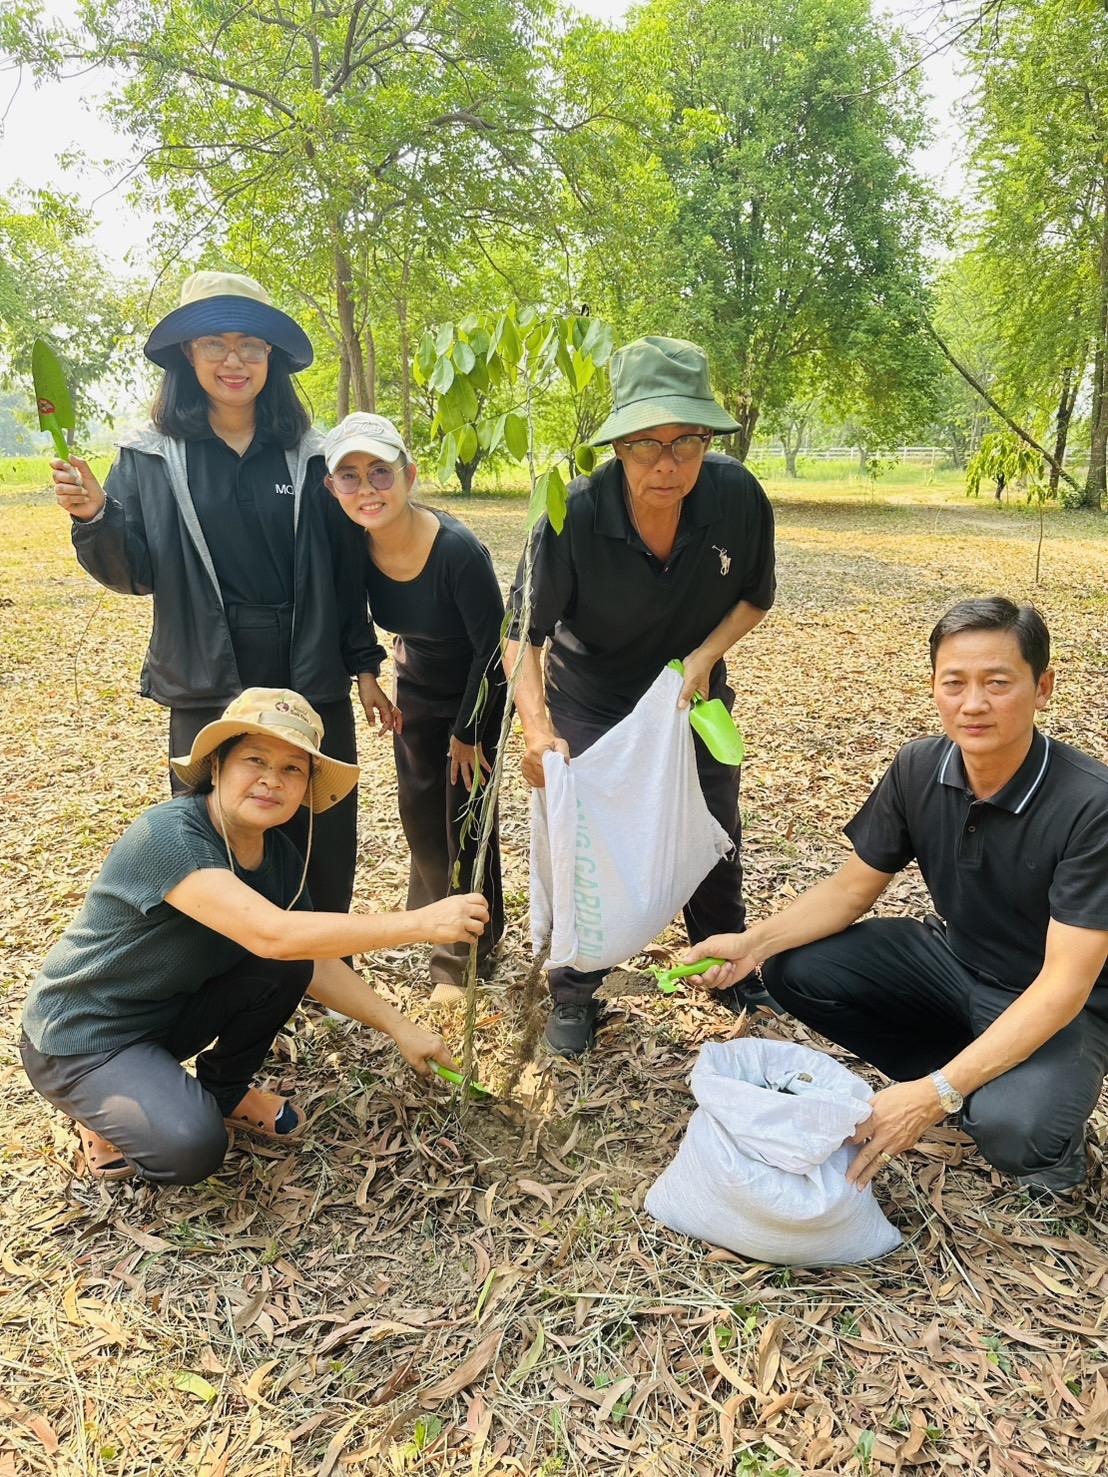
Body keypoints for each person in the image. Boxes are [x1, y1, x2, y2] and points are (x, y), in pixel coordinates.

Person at [687, 598, 1108, 1196]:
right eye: (954, 683)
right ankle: (968, 1073)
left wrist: (933, 1096)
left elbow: (1065, 983)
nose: (973, 704)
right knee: (794, 968)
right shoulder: (919, 766)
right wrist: (752, 944)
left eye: (997, 683)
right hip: (955, 962)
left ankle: (1030, 1130)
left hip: (1057, 998)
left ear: (1042, 688)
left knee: (1017, 1132)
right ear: (934, 687)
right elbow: (850, 888)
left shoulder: (1091, 805)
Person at [20, 689, 488, 1185]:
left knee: (291, 961)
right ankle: (99, 1108)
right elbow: (273, 935)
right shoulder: (168, 836)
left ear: (305, 787)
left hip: (166, 1015)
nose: (272, 779)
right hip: (83, 1036)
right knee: (191, 1148)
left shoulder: (277, 857)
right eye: (255, 760)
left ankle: (222, 1092)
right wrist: (420, 923)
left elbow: (310, 958)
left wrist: (401, 1028)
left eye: (292, 769)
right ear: (217, 766)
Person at [49, 271, 388, 917]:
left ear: (271, 356)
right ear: (188, 353)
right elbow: (134, 572)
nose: (234, 361)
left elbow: (344, 572)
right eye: (215, 344)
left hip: (307, 664)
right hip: (206, 668)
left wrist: (365, 663)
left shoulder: (313, 455)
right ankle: (228, 958)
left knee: (317, 825)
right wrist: (96, 516)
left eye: (250, 345)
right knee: (215, 829)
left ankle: (322, 954)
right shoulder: (150, 455)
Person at [505, 335, 777, 1056]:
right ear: (618, 445)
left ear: (708, 439)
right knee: (584, 842)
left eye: (687, 441)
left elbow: (755, 596)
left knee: (713, 826)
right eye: (646, 444)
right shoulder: (573, 513)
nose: (667, 464)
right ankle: (574, 989)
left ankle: (726, 963)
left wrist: (705, 657)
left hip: (688, 695)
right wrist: (537, 728)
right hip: (590, 696)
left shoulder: (737, 498)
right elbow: (521, 633)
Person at [324, 414, 506, 1005]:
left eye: (380, 472)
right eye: (350, 477)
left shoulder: (456, 551)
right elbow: (352, 615)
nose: (367, 489)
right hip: (418, 686)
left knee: (464, 820)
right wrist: (368, 678)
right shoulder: (354, 542)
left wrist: (469, 732)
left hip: (478, 692)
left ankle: (464, 955)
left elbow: (494, 649)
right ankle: (437, 921)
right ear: (333, 488)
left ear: (409, 475)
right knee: (421, 815)